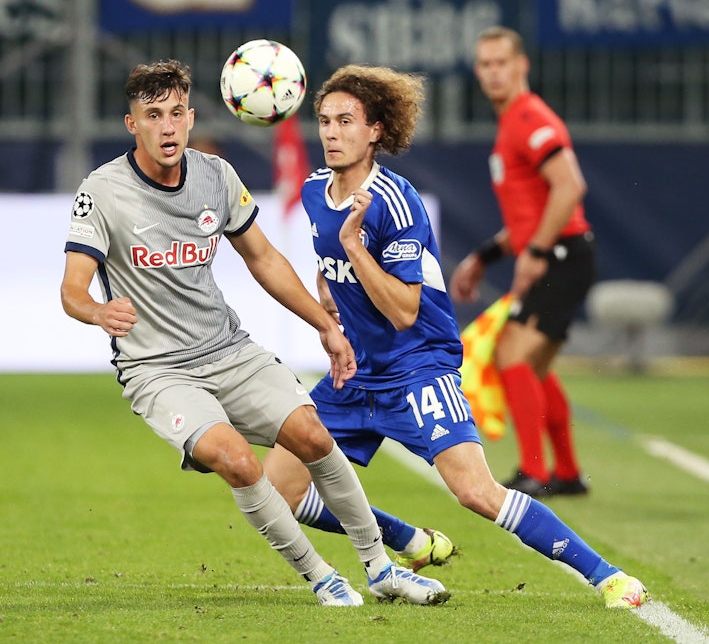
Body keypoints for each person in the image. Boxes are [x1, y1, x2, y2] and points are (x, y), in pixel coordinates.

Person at [59, 59, 450, 607]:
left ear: (191, 118)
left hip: (229, 352)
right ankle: (321, 576)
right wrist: (98, 313)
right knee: (239, 461)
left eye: (176, 113)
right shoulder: (102, 191)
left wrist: (326, 326)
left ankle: (381, 569)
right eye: (153, 115)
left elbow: (264, 259)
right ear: (133, 124)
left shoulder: (215, 176)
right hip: (157, 370)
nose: (167, 127)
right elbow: (72, 290)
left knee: (315, 437)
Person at [262, 64, 648, 609]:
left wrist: (353, 247)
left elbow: (403, 311)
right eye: (324, 120)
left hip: (418, 365)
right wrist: (329, 293)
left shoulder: (395, 201)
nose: (331, 132)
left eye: (346, 121)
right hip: (356, 375)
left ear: (375, 130)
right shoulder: (313, 191)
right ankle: (409, 541)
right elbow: (329, 261)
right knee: (279, 489)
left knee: (476, 493)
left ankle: (609, 577)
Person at [450, 26, 594, 498]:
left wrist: (536, 253)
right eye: (485, 64)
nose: (493, 72)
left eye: (501, 63)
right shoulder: (513, 122)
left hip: (561, 256)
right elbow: (531, 217)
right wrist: (485, 256)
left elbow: (569, 187)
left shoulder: (529, 117)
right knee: (533, 366)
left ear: (521, 65)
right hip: (561, 252)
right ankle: (567, 472)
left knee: (511, 354)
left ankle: (535, 471)